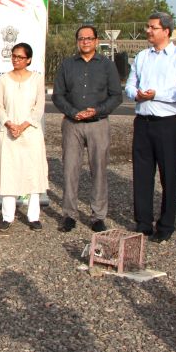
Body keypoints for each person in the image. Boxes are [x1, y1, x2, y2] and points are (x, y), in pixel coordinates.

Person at [124, 12, 176, 243]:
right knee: (142, 174)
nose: (148, 31)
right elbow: (130, 85)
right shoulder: (142, 56)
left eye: (152, 27)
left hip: (167, 123)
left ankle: (166, 225)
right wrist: (136, 94)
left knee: (168, 176)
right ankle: (143, 222)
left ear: (166, 30)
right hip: (143, 122)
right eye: (147, 26)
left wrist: (158, 95)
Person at [52, 25, 122, 233]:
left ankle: (98, 216)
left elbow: (116, 95)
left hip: (98, 124)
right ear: (77, 41)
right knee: (70, 169)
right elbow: (58, 95)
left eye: (89, 38)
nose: (85, 42)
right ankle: (69, 214)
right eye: (81, 38)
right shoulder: (67, 65)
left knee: (99, 169)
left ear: (96, 40)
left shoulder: (107, 65)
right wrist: (73, 112)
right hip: (72, 124)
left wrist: (97, 111)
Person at [0, 43, 48, 231]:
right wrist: (9, 124)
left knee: (33, 173)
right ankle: (7, 216)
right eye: (14, 56)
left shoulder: (37, 79)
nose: (16, 59)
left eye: (20, 57)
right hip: (9, 132)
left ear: (29, 59)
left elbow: (39, 107)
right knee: (9, 173)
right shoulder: (4, 79)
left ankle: (34, 217)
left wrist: (23, 126)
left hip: (30, 132)